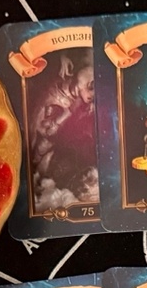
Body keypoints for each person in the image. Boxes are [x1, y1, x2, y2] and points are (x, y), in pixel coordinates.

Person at [31, 54, 98, 210]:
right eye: (90, 95)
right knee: (40, 148)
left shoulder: (79, 102)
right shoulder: (62, 89)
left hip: (54, 146)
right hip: (44, 134)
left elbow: (68, 118)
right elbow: (48, 130)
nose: (89, 98)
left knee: (44, 149)